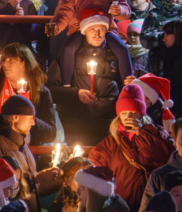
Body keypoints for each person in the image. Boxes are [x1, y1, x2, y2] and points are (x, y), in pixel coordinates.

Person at [88, 82, 174, 212]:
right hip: (122, 206)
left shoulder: (155, 134)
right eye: (124, 113)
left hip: (151, 204)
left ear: (141, 113)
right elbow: (96, 170)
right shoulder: (110, 143)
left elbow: (160, 160)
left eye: (133, 112)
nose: (128, 116)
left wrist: (143, 134)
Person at [48, 9, 133, 145]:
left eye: (101, 29)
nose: (97, 34)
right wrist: (76, 93)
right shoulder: (69, 55)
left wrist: (133, 83)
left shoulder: (116, 54)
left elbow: (130, 88)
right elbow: (51, 89)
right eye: (92, 29)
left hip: (109, 122)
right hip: (77, 122)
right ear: (84, 31)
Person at [0, 41, 59, 145]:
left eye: (11, 60)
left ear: (24, 63)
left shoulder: (41, 93)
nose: (5, 64)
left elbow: (51, 134)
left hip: (29, 151)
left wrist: (28, 118)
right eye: (4, 60)